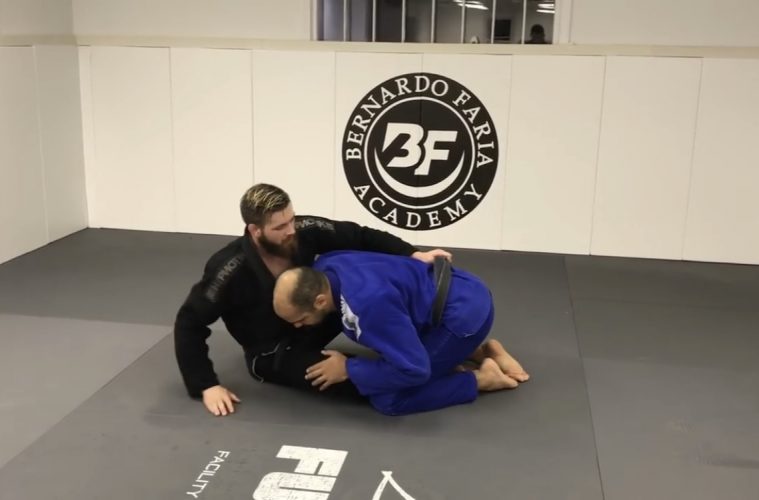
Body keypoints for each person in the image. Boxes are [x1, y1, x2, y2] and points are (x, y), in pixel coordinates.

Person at [174, 183, 450, 417]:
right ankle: (457, 378)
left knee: (373, 293)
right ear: (255, 231)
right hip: (274, 349)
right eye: (279, 227)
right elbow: (189, 322)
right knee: (358, 384)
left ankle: (431, 348)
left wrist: (413, 254)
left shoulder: (302, 230)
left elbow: (360, 236)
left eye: (291, 219)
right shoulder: (227, 270)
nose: (291, 230)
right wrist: (205, 385)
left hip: (313, 318)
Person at [272, 250, 529, 416]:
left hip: (464, 319)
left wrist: (348, 368)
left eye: (300, 320)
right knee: (391, 343)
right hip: (460, 288)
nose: (298, 327)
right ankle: (480, 352)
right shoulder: (328, 264)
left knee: (390, 399)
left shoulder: (367, 307)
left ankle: (482, 378)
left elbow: (414, 370)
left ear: (319, 301)